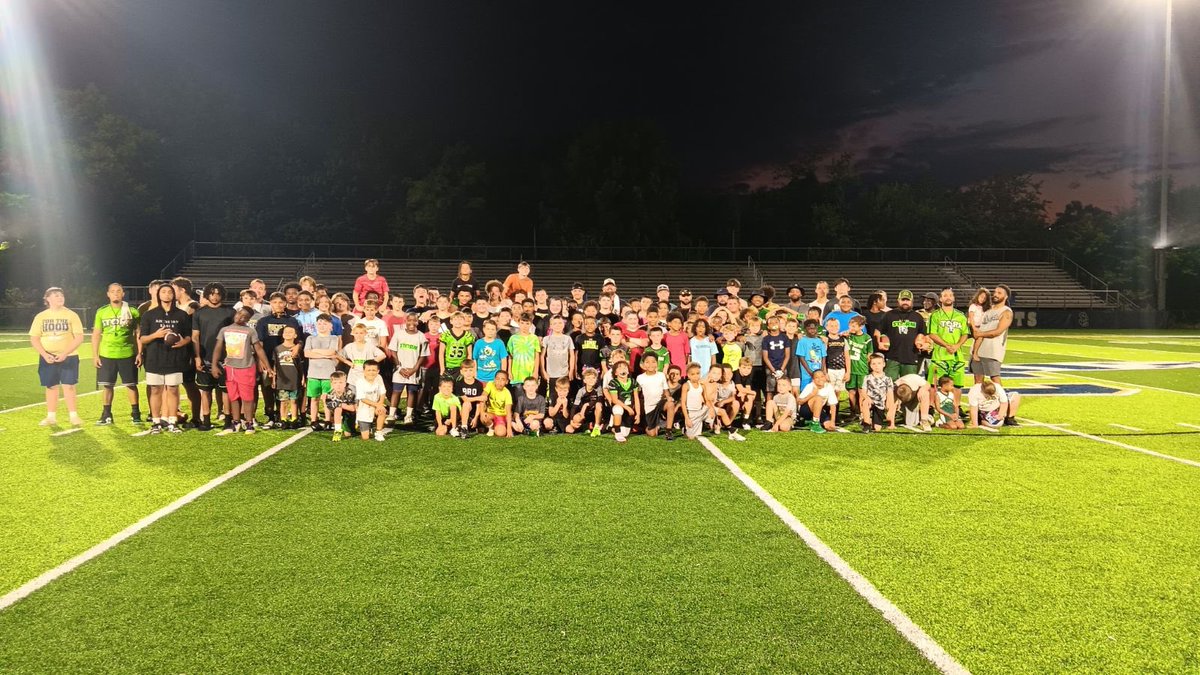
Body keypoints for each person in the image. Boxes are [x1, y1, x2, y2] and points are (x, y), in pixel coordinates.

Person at [139, 284, 193, 434]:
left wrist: (183, 342)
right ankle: (156, 422)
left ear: (174, 295)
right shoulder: (149, 315)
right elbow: (142, 339)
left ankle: (172, 421)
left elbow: (189, 336)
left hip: (175, 359)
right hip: (155, 358)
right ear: (158, 295)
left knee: (173, 389)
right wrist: (156, 335)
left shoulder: (182, 315)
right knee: (156, 389)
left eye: (170, 292)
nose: (167, 294)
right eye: (163, 291)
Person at [30, 287, 86, 428]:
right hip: (48, 357)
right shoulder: (41, 317)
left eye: (61, 295)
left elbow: (79, 337)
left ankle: (73, 416)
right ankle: (51, 417)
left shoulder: (71, 315)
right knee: (51, 386)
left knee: (69, 386)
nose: (60, 297)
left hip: (69, 356)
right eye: (55, 295)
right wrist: (45, 354)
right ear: (47, 299)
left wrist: (65, 353)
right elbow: (34, 338)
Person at [210, 307, 270, 436]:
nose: (239, 317)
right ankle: (236, 421)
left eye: (244, 316)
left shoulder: (250, 331)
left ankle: (249, 423)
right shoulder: (225, 330)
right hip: (230, 368)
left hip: (246, 367)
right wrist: (214, 365)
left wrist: (268, 366)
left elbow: (259, 349)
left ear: (248, 320)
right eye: (239, 314)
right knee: (233, 397)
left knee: (247, 398)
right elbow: (218, 347)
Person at [92, 283, 142, 425]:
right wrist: (95, 355)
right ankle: (106, 414)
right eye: (112, 291)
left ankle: (135, 413)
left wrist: (140, 353)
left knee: (131, 385)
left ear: (123, 294)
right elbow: (96, 334)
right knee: (107, 385)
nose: (115, 294)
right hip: (107, 354)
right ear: (108, 294)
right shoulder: (101, 312)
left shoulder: (132, 311)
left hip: (127, 353)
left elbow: (138, 333)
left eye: (118, 291)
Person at [191, 283, 235, 431]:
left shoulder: (230, 312)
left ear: (222, 295)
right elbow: (195, 337)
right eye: (212, 293)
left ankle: (228, 420)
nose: (215, 296)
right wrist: (197, 357)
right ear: (207, 295)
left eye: (218, 294)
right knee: (206, 390)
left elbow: (235, 335)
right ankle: (206, 420)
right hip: (205, 358)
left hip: (225, 358)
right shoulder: (199, 313)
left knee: (226, 390)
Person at [387, 311, 428, 425]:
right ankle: (391, 414)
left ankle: (408, 416)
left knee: (412, 392)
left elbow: (423, 355)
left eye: (414, 320)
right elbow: (393, 351)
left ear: (417, 322)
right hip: (399, 369)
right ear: (405, 321)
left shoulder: (421, 336)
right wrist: (399, 367)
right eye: (409, 320)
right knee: (396, 391)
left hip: (413, 370)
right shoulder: (399, 334)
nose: (412, 323)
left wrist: (414, 369)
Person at [875, 290, 927, 381]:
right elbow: (877, 331)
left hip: (911, 356)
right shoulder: (889, 315)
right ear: (898, 301)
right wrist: (879, 342)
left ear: (912, 302)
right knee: (889, 384)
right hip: (892, 356)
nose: (905, 302)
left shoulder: (917, 316)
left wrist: (924, 343)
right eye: (903, 300)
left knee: (909, 386)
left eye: (907, 300)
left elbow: (923, 334)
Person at [927, 288, 970, 390]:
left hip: (957, 356)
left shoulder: (961, 316)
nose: (948, 297)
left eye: (950, 295)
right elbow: (932, 334)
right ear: (940, 299)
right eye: (945, 295)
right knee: (934, 384)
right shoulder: (935, 315)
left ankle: (956, 406)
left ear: (954, 298)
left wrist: (957, 346)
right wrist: (946, 345)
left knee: (957, 386)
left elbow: (965, 333)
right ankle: (932, 405)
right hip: (940, 355)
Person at [305, 314, 342, 430]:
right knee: (314, 398)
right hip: (313, 373)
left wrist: (315, 351)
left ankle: (327, 420)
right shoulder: (310, 338)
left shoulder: (334, 338)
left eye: (325, 323)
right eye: (319, 323)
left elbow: (332, 352)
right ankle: (314, 420)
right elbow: (307, 353)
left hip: (328, 373)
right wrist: (324, 354)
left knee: (327, 398)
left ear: (330, 326)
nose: (322, 326)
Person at [972, 285, 1014, 389]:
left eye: (999, 293)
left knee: (995, 379)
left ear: (1006, 297)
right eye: (995, 292)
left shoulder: (1006, 312)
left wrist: (980, 334)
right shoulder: (987, 310)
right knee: (977, 380)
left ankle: (1004, 402)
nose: (995, 295)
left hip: (993, 351)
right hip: (978, 349)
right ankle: (980, 403)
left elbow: (998, 332)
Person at [844, 315, 873, 420]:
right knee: (851, 391)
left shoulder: (867, 338)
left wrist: (868, 365)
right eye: (850, 325)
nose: (852, 328)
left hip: (861, 368)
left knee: (861, 391)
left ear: (861, 326)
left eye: (854, 326)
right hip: (851, 368)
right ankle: (853, 412)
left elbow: (869, 353)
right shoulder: (847, 336)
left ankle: (862, 412)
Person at [860, 353, 896, 433]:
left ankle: (872, 420)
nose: (877, 366)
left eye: (879, 363)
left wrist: (890, 409)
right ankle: (866, 424)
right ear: (870, 366)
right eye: (874, 364)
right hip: (870, 401)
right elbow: (863, 391)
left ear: (884, 364)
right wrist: (867, 398)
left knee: (877, 428)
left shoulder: (888, 379)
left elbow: (890, 395)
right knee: (865, 402)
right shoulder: (867, 378)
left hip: (880, 404)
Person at [354, 360, 389, 441]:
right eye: (368, 370)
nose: (371, 372)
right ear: (364, 371)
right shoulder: (359, 381)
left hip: (376, 406)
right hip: (364, 409)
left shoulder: (379, 377)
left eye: (374, 370)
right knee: (365, 437)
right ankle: (368, 426)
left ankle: (379, 432)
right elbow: (362, 399)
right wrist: (377, 405)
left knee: (382, 410)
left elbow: (383, 392)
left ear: (378, 371)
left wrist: (380, 404)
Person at [541, 315, 575, 393]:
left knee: (564, 394)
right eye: (555, 323)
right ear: (551, 326)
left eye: (560, 323)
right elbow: (542, 356)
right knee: (553, 395)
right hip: (551, 373)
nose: (558, 325)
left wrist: (571, 370)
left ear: (564, 324)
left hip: (564, 373)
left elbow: (572, 355)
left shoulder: (568, 339)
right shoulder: (546, 339)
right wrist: (543, 371)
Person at [797, 369, 838, 433]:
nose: (820, 379)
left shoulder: (829, 387)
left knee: (829, 426)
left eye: (822, 376)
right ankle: (815, 424)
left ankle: (810, 421)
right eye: (817, 377)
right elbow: (799, 401)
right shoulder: (810, 386)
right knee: (818, 398)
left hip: (818, 411)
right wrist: (812, 394)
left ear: (825, 377)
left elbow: (833, 405)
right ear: (813, 380)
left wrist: (833, 421)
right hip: (805, 410)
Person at [454, 360, 486, 436]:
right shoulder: (459, 384)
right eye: (465, 371)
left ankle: (474, 423)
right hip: (463, 411)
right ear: (461, 372)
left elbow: (479, 403)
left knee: (482, 403)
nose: (468, 373)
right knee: (466, 403)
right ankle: (464, 428)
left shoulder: (478, 384)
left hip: (475, 411)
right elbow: (465, 399)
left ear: (474, 370)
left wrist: (475, 417)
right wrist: (479, 397)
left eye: (470, 370)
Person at [439, 312, 475, 378]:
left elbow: (469, 354)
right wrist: (442, 369)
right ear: (451, 321)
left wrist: (466, 368)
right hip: (449, 366)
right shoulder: (446, 335)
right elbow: (441, 353)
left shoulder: (468, 336)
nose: (458, 321)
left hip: (461, 367)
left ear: (464, 321)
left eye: (460, 319)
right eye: (455, 319)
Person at [680, 363, 709, 440]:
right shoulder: (686, 385)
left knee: (712, 410)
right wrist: (687, 418)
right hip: (691, 413)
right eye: (693, 374)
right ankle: (684, 427)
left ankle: (709, 423)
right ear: (688, 375)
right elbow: (683, 402)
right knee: (691, 437)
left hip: (700, 411)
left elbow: (707, 400)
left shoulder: (702, 386)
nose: (696, 376)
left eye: (698, 373)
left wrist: (711, 410)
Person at [482, 370, 514, 437]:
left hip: (501, 416)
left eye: (503, 379)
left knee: (501, 433)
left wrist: (509, 429)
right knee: (484, 417)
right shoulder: (490, 384)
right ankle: (491, 428)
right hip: (490, 414)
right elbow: (483, 396)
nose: (499, 381)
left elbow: (508, 412)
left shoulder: (507, 393)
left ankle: (499, 426)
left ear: (506, 382)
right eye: (497, 379)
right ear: (494, 379)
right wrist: (482, 413)